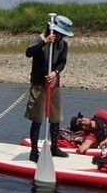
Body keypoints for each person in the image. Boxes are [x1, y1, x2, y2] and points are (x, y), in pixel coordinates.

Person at [25, 15, 74, 163]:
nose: (61, 37)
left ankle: (54, 147)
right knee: (37, 118)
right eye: (60, 34)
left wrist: (55, 73)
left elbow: (62, 62)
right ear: (52, 29)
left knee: (55, 117)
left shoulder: (63, 45)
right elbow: (28, 53)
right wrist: (44, 42)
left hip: (54, 85)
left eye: (64, 35)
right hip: (39, 85)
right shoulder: (39, 39)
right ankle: (34, 151)